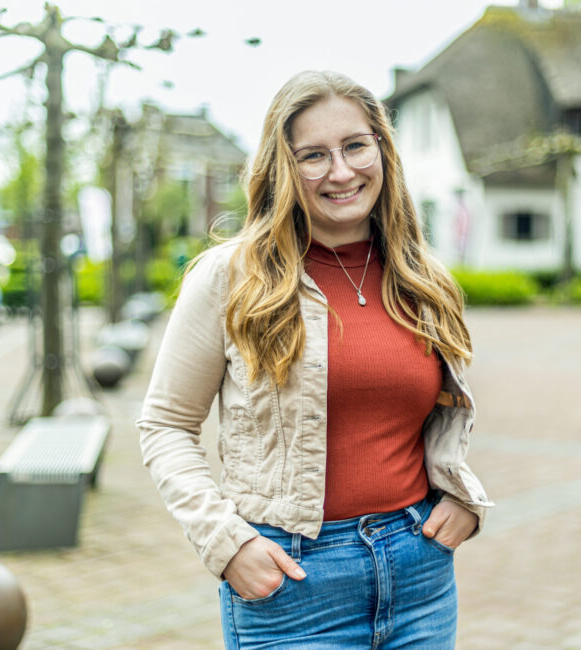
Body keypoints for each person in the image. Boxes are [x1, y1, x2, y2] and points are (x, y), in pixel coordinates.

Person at [138, 70, 492, 649]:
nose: (342, 171)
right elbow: (165, 425)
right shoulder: (231, 277)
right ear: (282, 166)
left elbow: (436, 415)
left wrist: (462, 495)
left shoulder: (423, 279)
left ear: (382, 148)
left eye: (355, 146)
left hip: (419, 572)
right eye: (313, 155)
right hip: (293, 582)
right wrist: (226, 542)